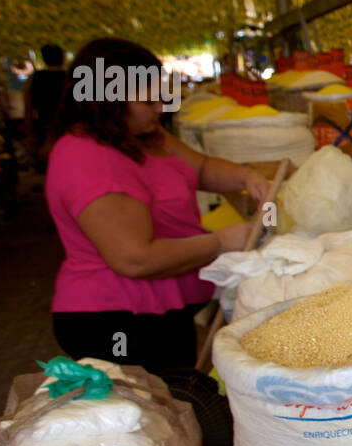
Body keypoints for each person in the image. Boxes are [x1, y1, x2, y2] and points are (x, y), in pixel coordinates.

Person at [46, 38, 269, 375]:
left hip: (162, 312)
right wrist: (220, 242)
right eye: (147, 100)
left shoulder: (144, 136)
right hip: (118, 320)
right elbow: (135, 258)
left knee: (179, 401)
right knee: (158, 411)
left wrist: (245, 176)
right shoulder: (87, 157)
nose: (159, 109)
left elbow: (201, 168)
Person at [25, 43, 68, 169]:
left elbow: (28, 109)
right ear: (62, 58)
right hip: (67, 129)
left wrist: (29, 133)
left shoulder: (34, 79)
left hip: (44, 130)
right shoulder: (71, 78)